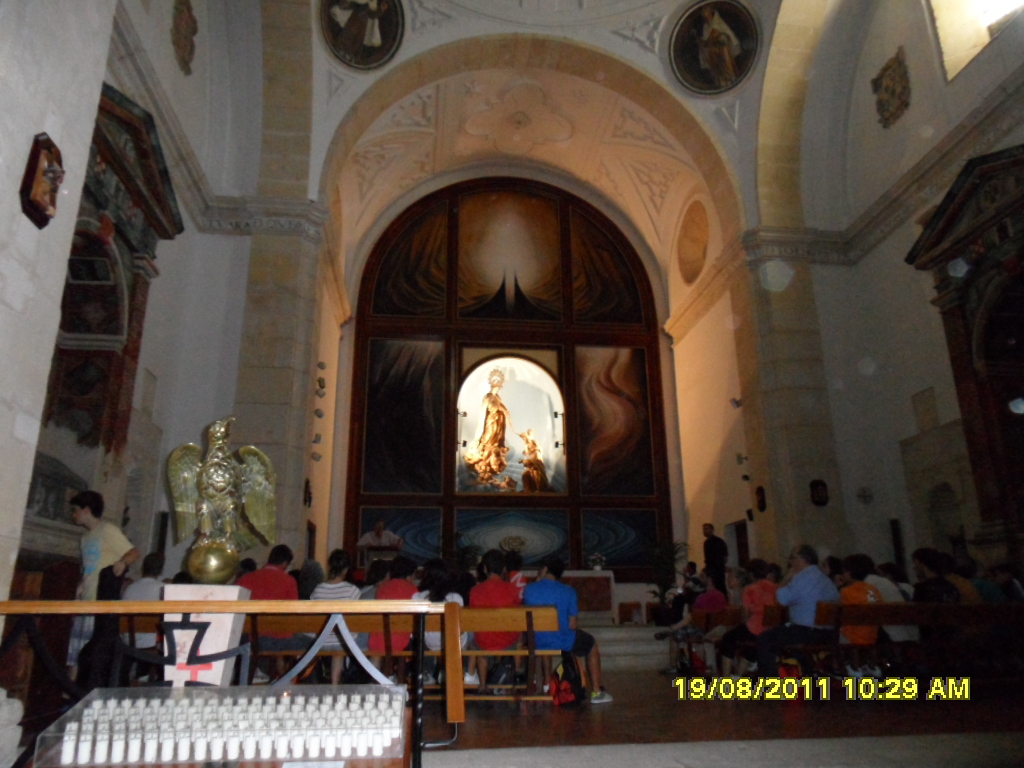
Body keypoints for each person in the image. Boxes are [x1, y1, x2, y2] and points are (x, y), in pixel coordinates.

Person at [67, 490, 140, 676]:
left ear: (86, 509)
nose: (73, 514)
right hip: (86, 601)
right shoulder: (85, 538)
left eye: (75, 509)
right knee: (76, 652)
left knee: (91, 653)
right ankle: (71, 698)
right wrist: (80, 588)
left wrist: (122, 562)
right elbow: (88, 569)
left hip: (101, 602)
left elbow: (133, 552)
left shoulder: (108, 530)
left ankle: (83, 694)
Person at [524, 555, 612, 704]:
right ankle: (597, 691)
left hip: (536, 641)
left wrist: (537, 581)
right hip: (562, 640)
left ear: (544, 570)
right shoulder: (569, 591)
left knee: (545, 639)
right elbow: (572, 625)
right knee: (591, 645)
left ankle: (547, 684)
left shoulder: (529, 590)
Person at [756, 544, 840, 677]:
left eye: (792, 558)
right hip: (829, 633)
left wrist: (786, 578)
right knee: (788, 640)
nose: (790, 562)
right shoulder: (824, 578)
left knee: (765, 639)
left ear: (801, 560)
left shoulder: (802, 578)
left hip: (807, 632)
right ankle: (807, 675)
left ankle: (771, 683)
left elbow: (780, 601)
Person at [237, 544, 310, 680]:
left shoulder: (245, 579)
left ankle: (276, 675)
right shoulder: (289, 581)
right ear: (284, 563)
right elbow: (294, 614)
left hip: (250, 639)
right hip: (280, 640)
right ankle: (293, 679)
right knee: (314, 644)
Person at [468, 549, 521, 693]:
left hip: (484, 641)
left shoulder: (475, 591)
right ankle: (516, 676)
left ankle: (483, 685)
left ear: (485, 569)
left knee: (478, 644)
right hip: (508, 641)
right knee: (519, 638)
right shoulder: (512, 589)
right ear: (504, 569)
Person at [412, 559, 469, 683]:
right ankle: (459, 670)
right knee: (468, 634)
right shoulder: (456, 598)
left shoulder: (418, 597)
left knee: (427, 637)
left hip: (428, 643)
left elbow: (415, 628)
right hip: (453, 643)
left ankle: (431, 670)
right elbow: (461, 628)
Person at [310, 549, 361, 684]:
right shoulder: (352, 590)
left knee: (335, 637)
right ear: (345, 569)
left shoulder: (318, 589)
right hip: (343, 641)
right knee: (342, 639)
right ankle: (335, 686)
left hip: (321, 640)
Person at [719, 558, 778, 677]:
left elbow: (745, 614)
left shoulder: (750, 589)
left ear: (750, 574)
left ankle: (726, 679)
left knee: (728, 639)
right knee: (751, 646)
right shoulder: (775, 587)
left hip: (754, 628)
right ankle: (738, 676)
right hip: (771, 629)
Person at [369, 555, 419, 679]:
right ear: (409, 574)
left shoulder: (383, 587)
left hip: (379, 636)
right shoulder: (413, 589)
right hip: (400, 638)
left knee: (379, 644)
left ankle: (376, 680)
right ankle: (400, 681)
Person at [465, 369, 512, 483]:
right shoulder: (488, 397)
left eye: (499, 381)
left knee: (496, 443)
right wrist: (477, 438)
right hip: (490, 424)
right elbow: (482, 415)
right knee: (488, 441)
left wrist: (504, 413)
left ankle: (491, 467)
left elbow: (505, 411)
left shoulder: (498, 398)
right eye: (495, 381)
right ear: (492, 382)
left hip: (499, 425)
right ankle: (485, 466)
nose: (498, 384)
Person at [121, 552, 165, 650]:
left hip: (128, 642)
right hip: (152, 645)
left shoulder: (130, 588)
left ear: (143, 568)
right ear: (160, 570)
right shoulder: (163, 589)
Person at [696, 5, 742, 89]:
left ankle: (731, 76)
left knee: (722, 47)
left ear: (710, 13)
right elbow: (706, 38)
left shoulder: (717, 21)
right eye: (704, 16)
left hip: (724, 48)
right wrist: (702, 41)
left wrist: (709, 41)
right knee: (711, 55)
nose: (706, 17)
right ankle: (720, 79)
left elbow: (715, 33)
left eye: (707, 14)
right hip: (713, 50)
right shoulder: (706, 26)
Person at [702, 523, 728, 594]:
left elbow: (724, 556)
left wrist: (719, 565)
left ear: (712, 530)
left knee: (720, 587)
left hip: (717, 569)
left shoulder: (718, 541)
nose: (704, 531)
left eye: (706, 529)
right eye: (704, 529)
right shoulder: (706, 543)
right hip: (711, 569)